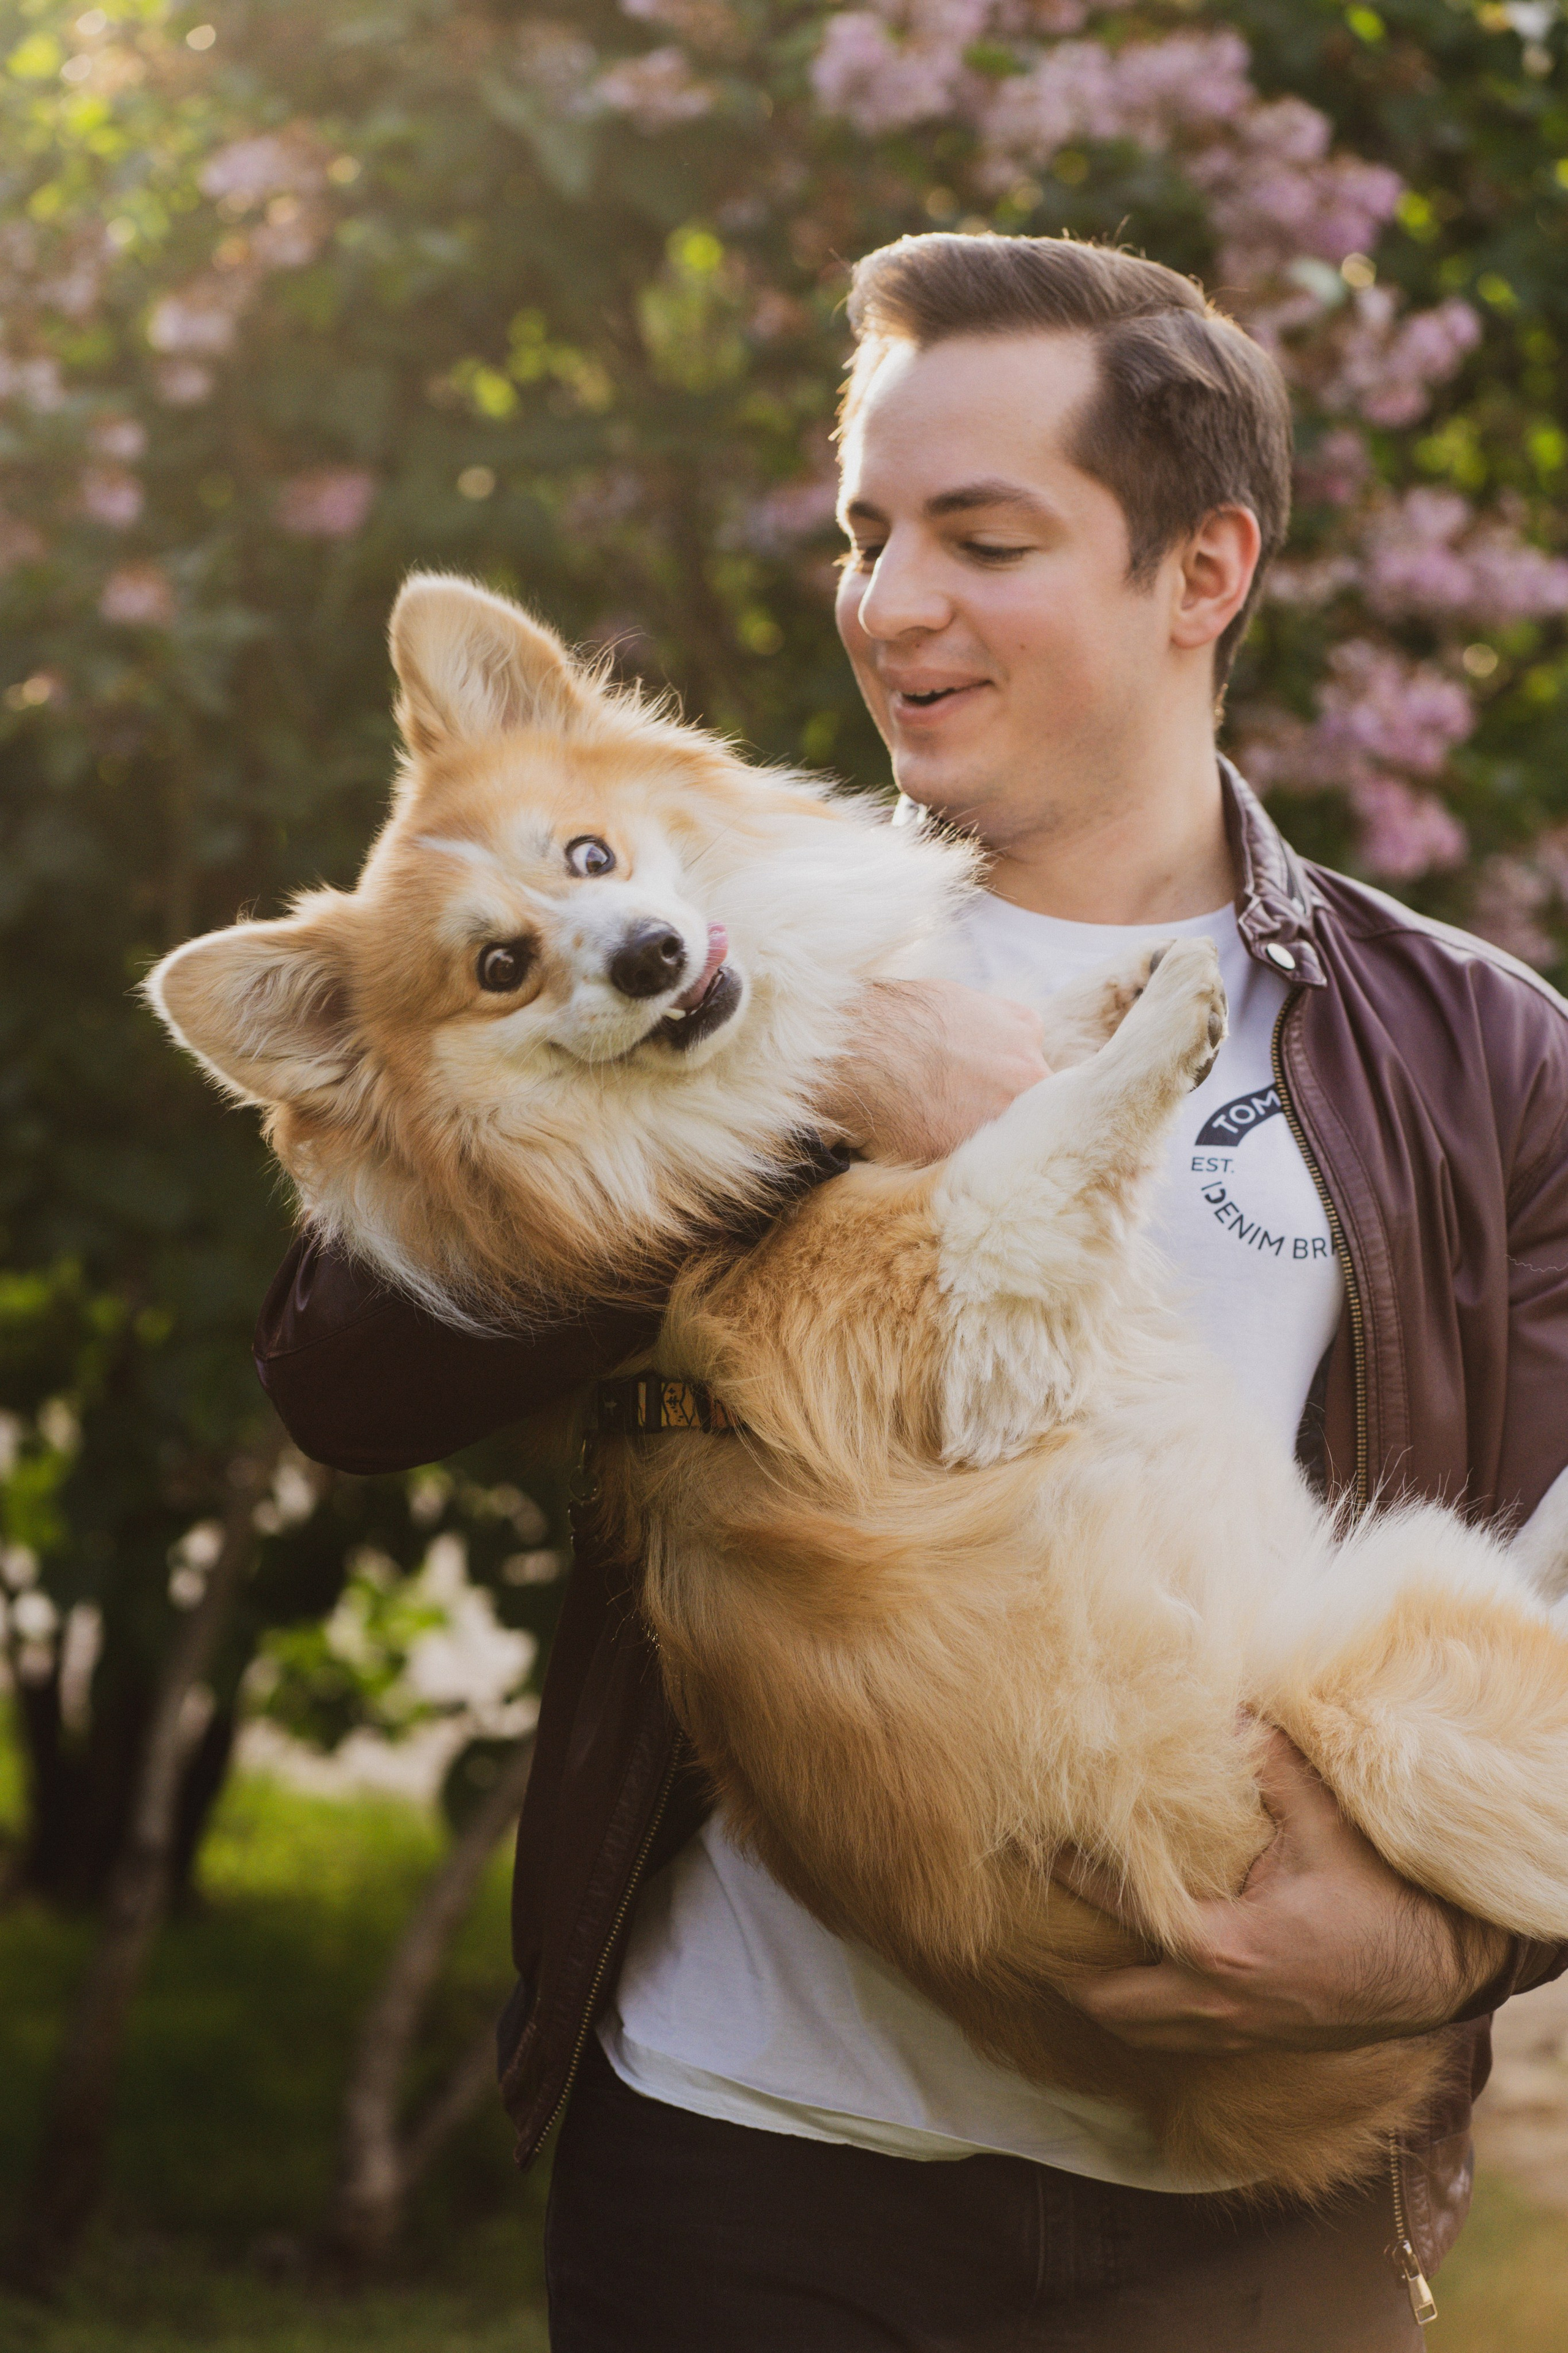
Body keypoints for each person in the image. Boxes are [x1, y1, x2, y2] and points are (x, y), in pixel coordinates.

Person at [256, 235, 1568, 2349]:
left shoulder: (1478, 1051)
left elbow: (1553, 1587)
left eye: (984, 536)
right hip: (753, 2164)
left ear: (1202, 569)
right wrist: (816, 1081)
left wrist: (1451, 1956)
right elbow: (346, 1365)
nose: (891, 603)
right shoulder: (710, 938)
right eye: (869, 534)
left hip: (1243, 2208)